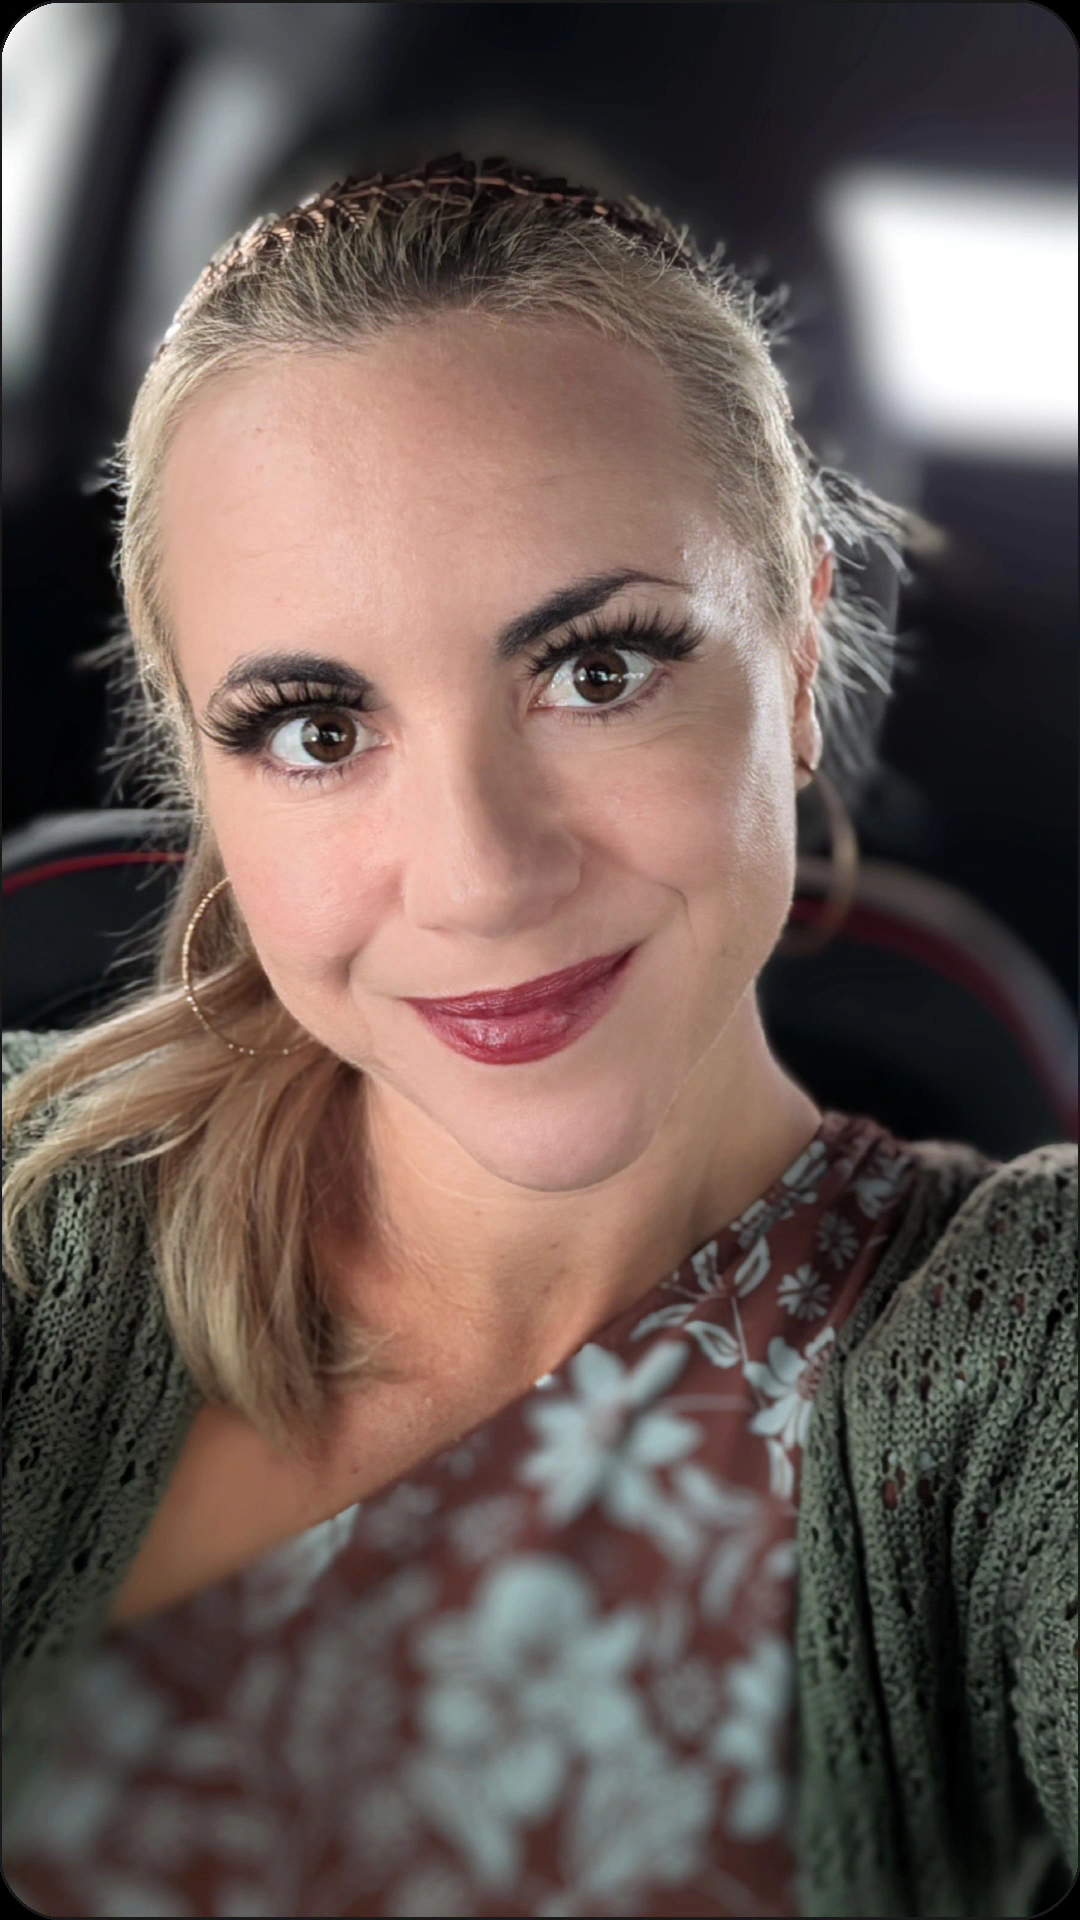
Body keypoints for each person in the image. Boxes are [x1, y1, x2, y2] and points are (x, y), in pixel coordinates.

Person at [2, 154, 1075, 1920]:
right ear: (200, 774)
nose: (483, 880)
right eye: (314, 728)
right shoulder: (28, 1233)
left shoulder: (1030, 1347)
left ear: (800, 652)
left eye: (597, 671)